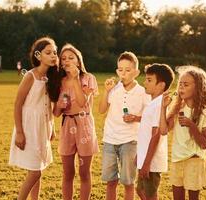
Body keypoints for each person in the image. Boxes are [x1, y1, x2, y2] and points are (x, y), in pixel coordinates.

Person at [9, 37, 61, 200]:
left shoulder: (50, 78)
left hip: (42, 127)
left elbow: (48, 106)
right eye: (48, 52)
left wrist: (51, 127)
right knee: (35, 171)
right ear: (38, 56)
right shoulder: (30, 76)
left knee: (38, 167)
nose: (53, 55)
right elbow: (18, 104)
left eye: (54, 52)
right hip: (29, 127)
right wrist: (19, 132)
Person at [99, 51, 151, 200]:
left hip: (130, 141)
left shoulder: (142, 92)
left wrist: (135, 117)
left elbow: (148, 118)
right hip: (109, 139)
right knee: (110, 181)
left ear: (136, 72)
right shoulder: (113, 89)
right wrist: (106, 91)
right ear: (117, 71)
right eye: (120, 70)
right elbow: (102, 110)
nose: (123, 73)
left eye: (128, 70)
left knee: (128, 182)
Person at [159, 66, 206, 200]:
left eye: (186, 85)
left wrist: (191, 125)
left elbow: (204, 144)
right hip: (177, 159)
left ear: (198, 87)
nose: (181, 88)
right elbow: (163, 130)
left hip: (194, 160)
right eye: (180, 84)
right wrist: (163, 108)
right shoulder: (178, 107)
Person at [54, 44, 99, 200]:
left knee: (84, 172)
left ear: (79, 62)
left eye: (71, 58)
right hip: (67, 125)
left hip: (84, 125)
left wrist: (74, 80)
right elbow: (57, 113)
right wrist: (60, 105)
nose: (67, 61)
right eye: (63, 58)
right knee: (68, 172)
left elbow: (82, 103)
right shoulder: (60, 82)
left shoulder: (88, 78)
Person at [136, 63, 175, 200]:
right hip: (145, 159)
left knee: (149, 194)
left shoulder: (159, 105)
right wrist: (139, 157)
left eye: (149, 80)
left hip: (152, 162)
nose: (144, 82)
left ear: (161, 85)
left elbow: (156, 135)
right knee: (140, 190)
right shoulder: (152, 103)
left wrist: (146, 163)